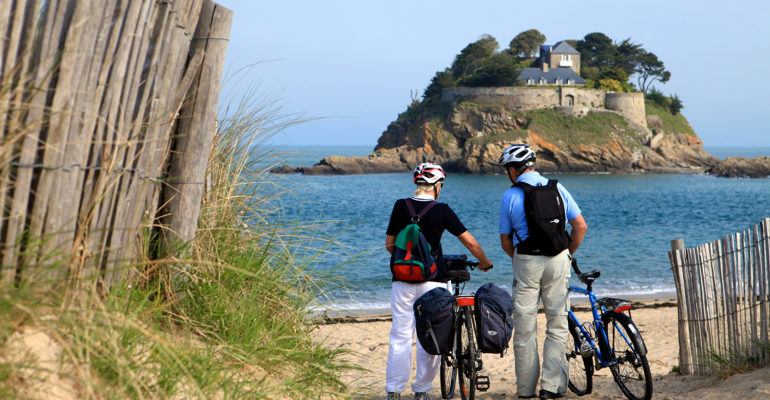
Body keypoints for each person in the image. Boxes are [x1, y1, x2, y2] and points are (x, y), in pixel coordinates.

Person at [385, 162, 494, 400]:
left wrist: (409, 263)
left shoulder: (400, 205)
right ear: (436, 186)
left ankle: (393, 391)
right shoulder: (442, 210)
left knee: (400, 336)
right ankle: (422, 391)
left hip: (402, 281)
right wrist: (484, 261)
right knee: (431, 336)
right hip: (433, 282)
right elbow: (469, 242)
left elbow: (390, 245)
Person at [497, 144, 587, 400]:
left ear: (514, 170)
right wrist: (567, 254)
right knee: (557, 326)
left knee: (525, 330)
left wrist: (520, 260)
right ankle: (551, 387)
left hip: (527, 262)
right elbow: (580, 226)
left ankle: (526, 391)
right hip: (558, 260)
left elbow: (505, 241)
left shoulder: (510, 196)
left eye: (507, 169)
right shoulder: (557, 188)